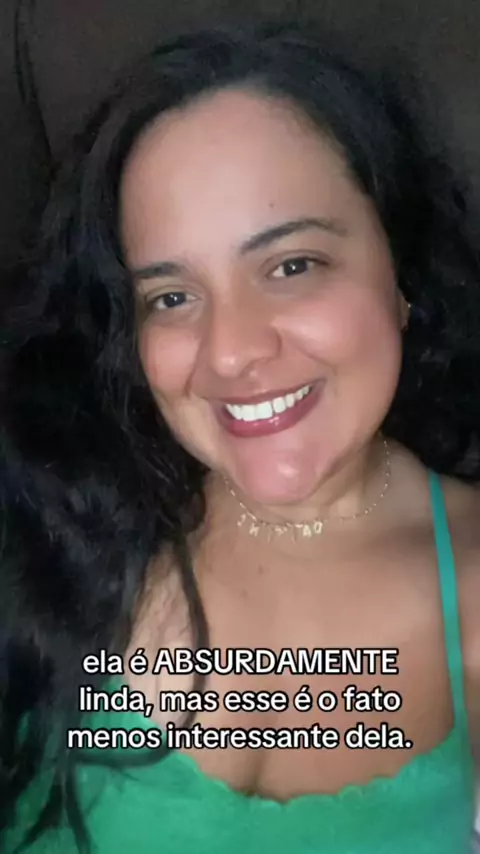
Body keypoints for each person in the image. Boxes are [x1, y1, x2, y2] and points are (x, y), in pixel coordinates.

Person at [2, 21, 480, 854]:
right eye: (171, 297)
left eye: (291, 265)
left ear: (399, 270)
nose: (228, 352)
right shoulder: (53, 515)